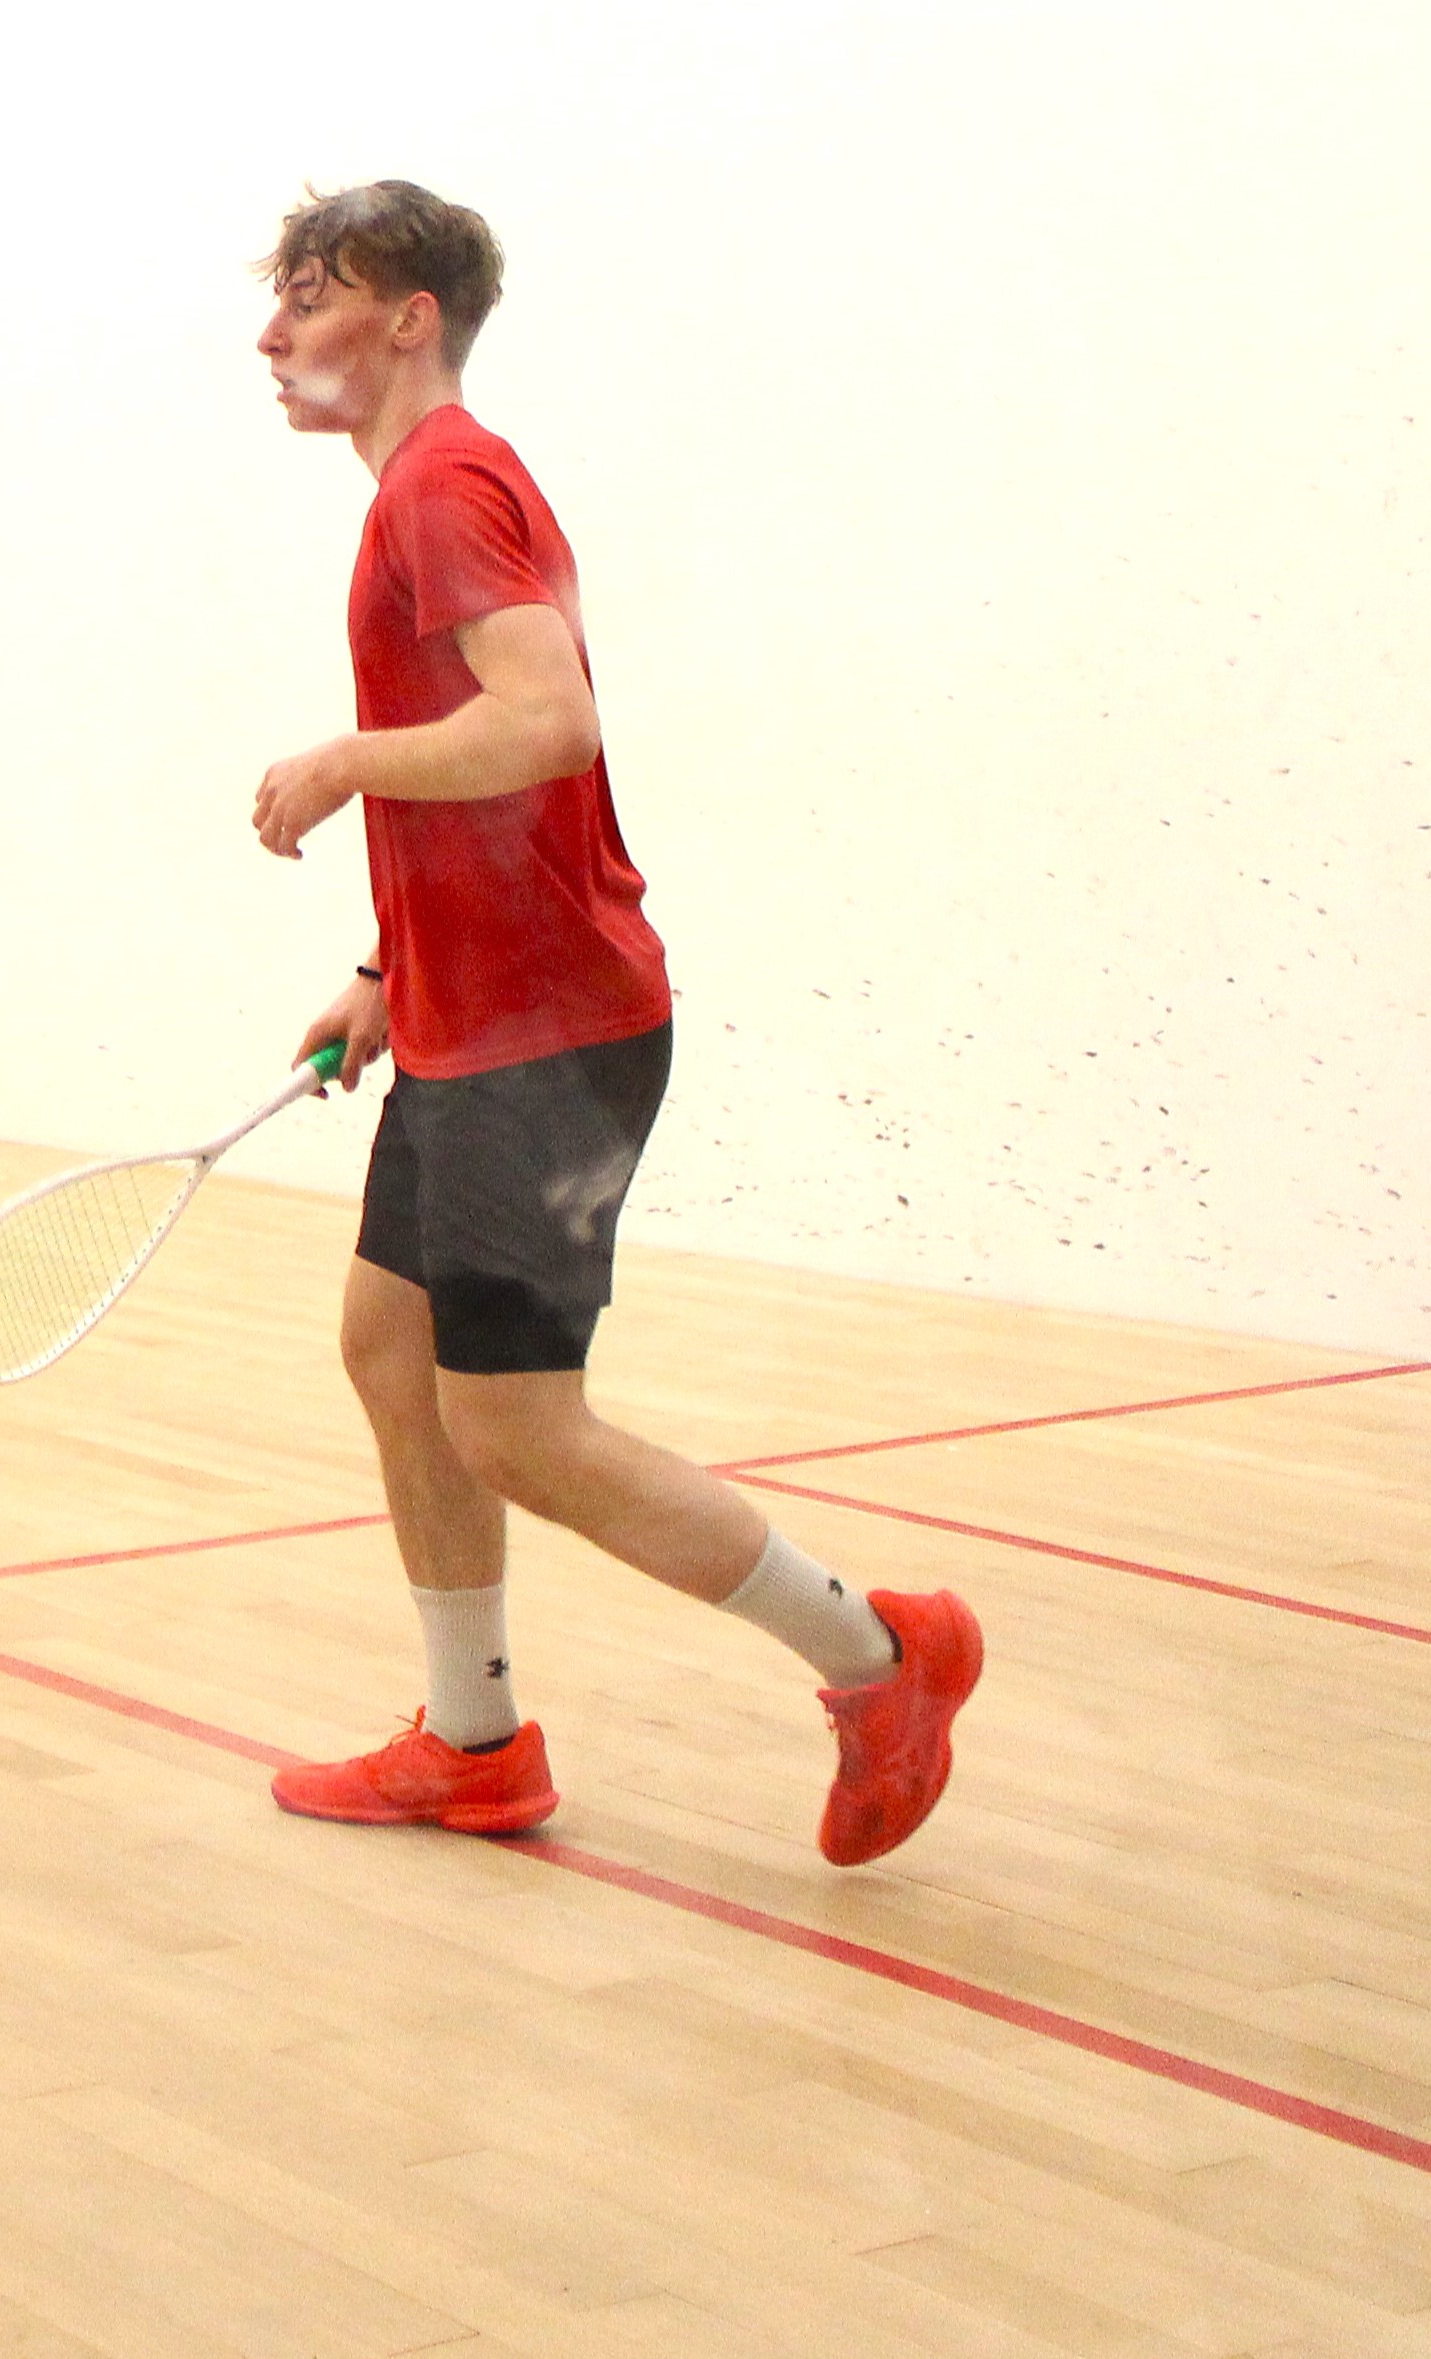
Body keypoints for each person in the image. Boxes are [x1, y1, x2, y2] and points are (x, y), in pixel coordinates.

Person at [241, 182, 978, 1863]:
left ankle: (882, 1659)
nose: (271, 334)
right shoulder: (432, 486)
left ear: (408, 318)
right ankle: (474, 1744)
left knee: (516, 1426)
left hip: (546, 1046)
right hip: (472, 1021)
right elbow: (497, 789)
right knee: (388, 1351)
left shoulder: (441, 488)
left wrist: (342, 762)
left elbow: (544, 723)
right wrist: (387, 967)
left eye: (310, 297)